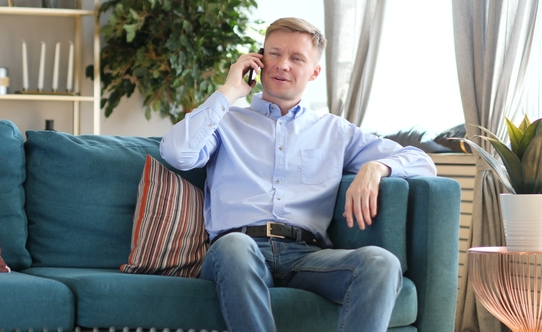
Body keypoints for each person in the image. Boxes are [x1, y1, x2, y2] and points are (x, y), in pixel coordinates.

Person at [160, 17, 436, 332]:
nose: (283, 65)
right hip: (237, 252)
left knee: (381, 263)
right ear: (258, 60)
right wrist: (228, 91)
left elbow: (422, 161)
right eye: (274, 54)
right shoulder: (225, 122)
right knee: (234, 245)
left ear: (315, 71)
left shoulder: (334, 131)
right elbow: (176, 152)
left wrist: (377, 166)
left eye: (296, 58)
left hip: (308, 256)